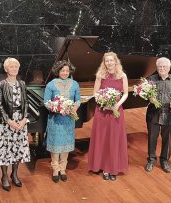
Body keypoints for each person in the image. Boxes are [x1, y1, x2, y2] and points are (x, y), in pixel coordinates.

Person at [87, 52, 129, 181]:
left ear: (116, 61)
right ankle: (104, 168)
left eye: (111, 60)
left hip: (116, 111)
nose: (109, 63)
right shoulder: (100, 75)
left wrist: (117, 105)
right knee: (103, 139)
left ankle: (113, 168)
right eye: (107, 61)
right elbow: (95, 93)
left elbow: (126, 93)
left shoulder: (122, 75)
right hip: (103, 111)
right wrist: (104, 103)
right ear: (104, 62)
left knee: (114, 139)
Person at [0, 57, 31, 191]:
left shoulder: (22, 83)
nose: (14, 69)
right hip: (7, 122)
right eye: (11, 67)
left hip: (20, 120)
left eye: (16, 66)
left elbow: (26, 102)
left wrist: (24, 119)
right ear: (6, 69)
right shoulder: (1, 85)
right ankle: (4, 176)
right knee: (5, 148)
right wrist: (9, 121)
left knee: (18, 147)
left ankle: (14, 174)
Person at [43, 60, 81, 183]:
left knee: (66, 143)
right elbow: (46, 102)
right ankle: (55, 169)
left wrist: (74, 107)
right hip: (55, 119)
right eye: (62, 70)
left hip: (69, 119)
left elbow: (78, 100)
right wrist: (56, 108)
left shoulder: (75, 84)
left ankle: (63, 169)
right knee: (55, 144)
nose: (65, 73)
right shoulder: (51, 85)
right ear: (58, 71)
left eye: (67, 70)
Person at [145, 57, 171, 173]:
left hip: (169, 113)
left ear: (169, 68)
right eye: (159, 66)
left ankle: (164, 160)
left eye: (164, 66)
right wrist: (148, 98)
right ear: (157, 67)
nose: (162, 68)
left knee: (167, 139)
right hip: (153, 113)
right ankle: (151, 160)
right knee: (152, 138)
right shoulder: (151, 79)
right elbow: (144, 95)